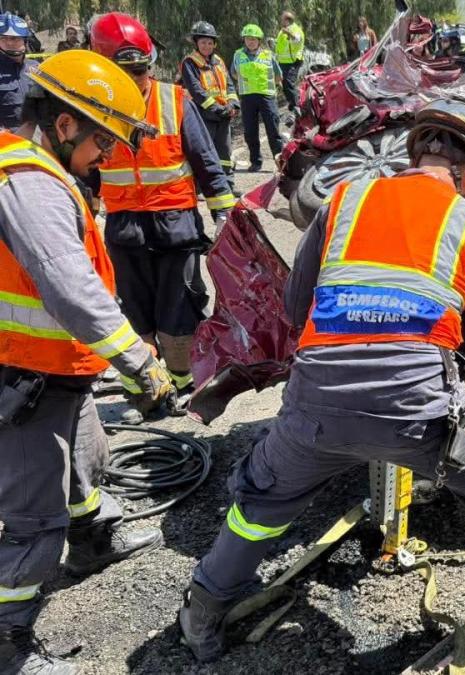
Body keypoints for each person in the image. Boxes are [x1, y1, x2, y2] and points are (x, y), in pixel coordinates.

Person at [178, 100, 465, 664]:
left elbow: (297, 307)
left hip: (316, 407)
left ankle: (201, 616)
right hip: (419, 412)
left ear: (413, 155)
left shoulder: (344, 200)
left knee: (260, 504)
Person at [0, 50, 172, 674]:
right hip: (21, 373)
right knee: (32, 518)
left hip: (55, 367)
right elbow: (66, 283)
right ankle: (8, 646)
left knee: (84, 459)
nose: (107, 155)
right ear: (65, 123)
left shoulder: (40, 168)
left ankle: (92, 541)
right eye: (103, 139)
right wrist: (137, 360)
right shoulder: (29, 180)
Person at [88, 13, 237, 412]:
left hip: (177, 224)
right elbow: (83, 172)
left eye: (141, 70)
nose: (136, 80)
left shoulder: (174, 100)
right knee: (134, 313)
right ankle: (143, 391)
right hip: (125, 228)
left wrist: (225, 213)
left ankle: (184, 384)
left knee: (180, 307)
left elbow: (207, 162)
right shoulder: (91, 108)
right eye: (127, 73)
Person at [180, 21, 238, 177]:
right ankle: (200, 186)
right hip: (202, 115)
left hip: (223, 115)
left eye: (210, 43)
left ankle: (228, 183)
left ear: (214, 44)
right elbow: (197, 91)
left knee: (224, 152)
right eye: (203, 42)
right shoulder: (190, 63)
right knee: (203, 151)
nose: (206, 46)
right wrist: (217, 109)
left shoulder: (218, 61)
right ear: (196, 43)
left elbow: (229, 85)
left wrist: (233, 104)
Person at [231, 24, 283, 172]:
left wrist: (272, 87)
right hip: (247, 98)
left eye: (253, 39)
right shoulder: (238, 55)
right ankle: (256, 162)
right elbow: (234, 73)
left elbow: (279, 75)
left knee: (273, 129)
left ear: (259, 40)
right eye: (248, 39)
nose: (250, 42)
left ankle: (280, 161)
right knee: (250, 132)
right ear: (244, 40)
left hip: (267, 96)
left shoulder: (268, 55)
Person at [0, 13, 32, 130]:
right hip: (7, 144)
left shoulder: (37, 69)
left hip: (38, 142)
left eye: (15, 38)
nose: (9, 43)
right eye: (3, 38)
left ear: (25, 40)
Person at [275, 11, 305, 113]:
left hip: (293, 61)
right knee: (285, 83)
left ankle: (297, 106)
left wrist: (289, 34)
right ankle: (293, 104)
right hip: (283, 62)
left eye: (282, 19)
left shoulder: (295, 29)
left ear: (287, 20)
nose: (280, 20)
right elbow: (281, 45)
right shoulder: (283, 31)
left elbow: (297, 40)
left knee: (288, 83)